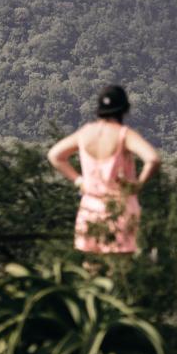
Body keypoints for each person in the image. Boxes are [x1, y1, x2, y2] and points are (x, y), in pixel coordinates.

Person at [48, 85, 160, 257]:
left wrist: (79, 181)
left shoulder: (86, 132)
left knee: (91, 265)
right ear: (124, 109)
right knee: (119, 266)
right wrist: (138, 185)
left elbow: (55, 155)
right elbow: (152, 159)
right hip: (120, 208)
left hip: (90, 207)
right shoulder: (123, 134)